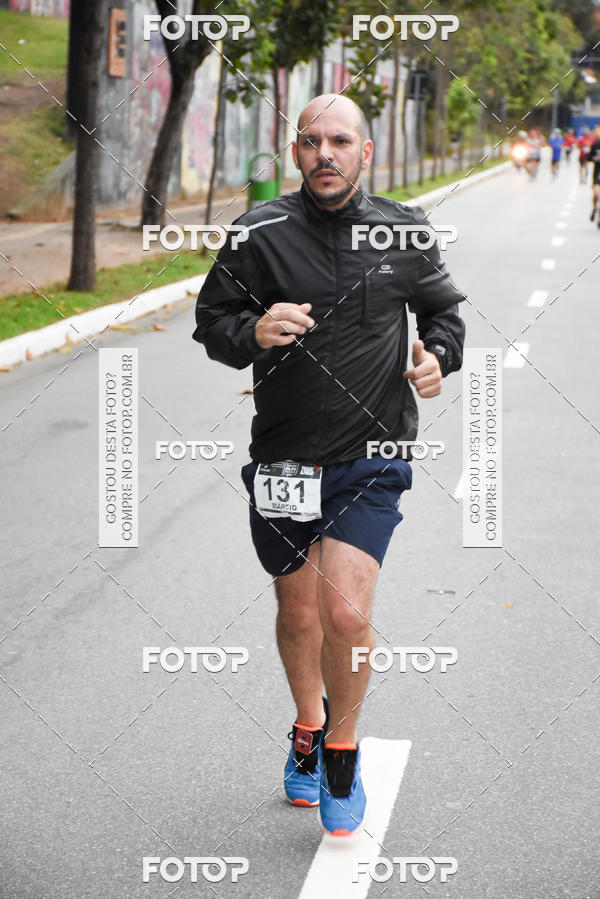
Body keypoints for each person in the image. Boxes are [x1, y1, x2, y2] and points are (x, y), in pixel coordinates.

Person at [193, 94, 466, 836]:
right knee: (299, 610)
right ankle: (307, 727)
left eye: (340, 139)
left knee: (346, 610)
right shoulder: (259, 232)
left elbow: (445, 315)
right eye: (310, 140)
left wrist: (437, 356)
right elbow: (211, 324)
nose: (325, 152)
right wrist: (252, 329)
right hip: (283, 456)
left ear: (365, 151)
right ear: (295, 153)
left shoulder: (403, 230)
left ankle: (342, 754)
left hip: (371, 455)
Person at [589, 126, 600, 227]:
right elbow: (589, 157)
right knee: (597, 194)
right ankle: (594, 207)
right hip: (597, 174)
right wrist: (595, 158)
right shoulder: (596, 144)